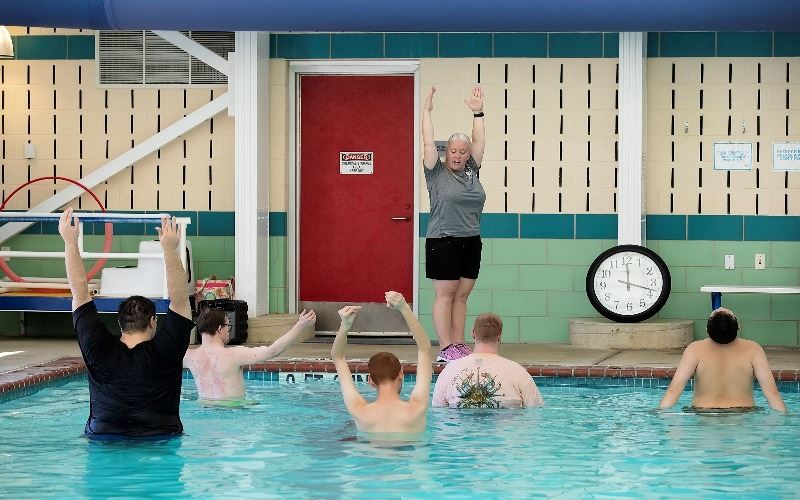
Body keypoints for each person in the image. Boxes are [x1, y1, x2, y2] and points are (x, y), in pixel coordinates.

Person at [60, 208, 195, 437]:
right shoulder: (166, 350)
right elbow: (180, 299)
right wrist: (169, 249)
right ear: (153, 321)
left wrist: (70, 242)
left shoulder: (98, 348)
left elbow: (80, 293)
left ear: (120, 322)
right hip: (160, 438)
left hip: (103, 437)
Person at [422, 85, 487, 362]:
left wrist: (477, 112)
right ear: (445, 152)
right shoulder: (435, 172)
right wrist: (426, 111)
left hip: (470, 240)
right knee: (445, 294)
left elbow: (479, 139)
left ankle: (459, 344)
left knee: (462, 296)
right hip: (443, 239)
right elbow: (427, 141)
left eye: (463, 151)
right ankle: (446, 347)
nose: (458, 155)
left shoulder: (472, 170)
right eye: (453, 151)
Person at [331, 291, 432, 434]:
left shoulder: (359, 411)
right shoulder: (416, 409)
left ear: (370, 380)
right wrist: (404, 308)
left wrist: (345, 325)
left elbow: (337, 357)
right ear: (401, 373)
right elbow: (425, 349)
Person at [659, 307, 787, 412]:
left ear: (707, 329)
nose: (720, 308)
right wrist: (784, 418)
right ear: (738, 328)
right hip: (743, 414)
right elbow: (772, 393)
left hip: (704, 413)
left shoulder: (694, 349)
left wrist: (660, 413)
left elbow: (674, 390)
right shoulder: (754, 349)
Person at [183, 307, 316, 403]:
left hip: (204, 409)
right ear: (219, 329)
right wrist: (300, 325)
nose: (229, 331)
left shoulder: (189, 356)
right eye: (228, 326)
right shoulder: (234, 355)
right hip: (233, 412)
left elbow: (162, 362)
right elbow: (273, 351)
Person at [433, 313, 543, 409]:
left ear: (473, 333)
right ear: (500, 336)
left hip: (461, 430)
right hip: (506, 429)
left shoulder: (450, 370)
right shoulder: (518, 372)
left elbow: (438, 410)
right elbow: (535, 409)